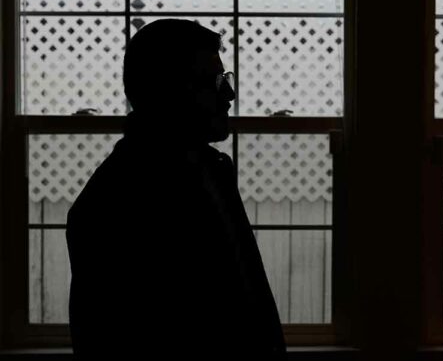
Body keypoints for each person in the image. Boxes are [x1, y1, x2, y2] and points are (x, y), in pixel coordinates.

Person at [66, 19, 286, 359]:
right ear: (168, 90)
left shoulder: (214, 171)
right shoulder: (112, 204)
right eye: (214, 82)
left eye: (226, 79)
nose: (229, 93)